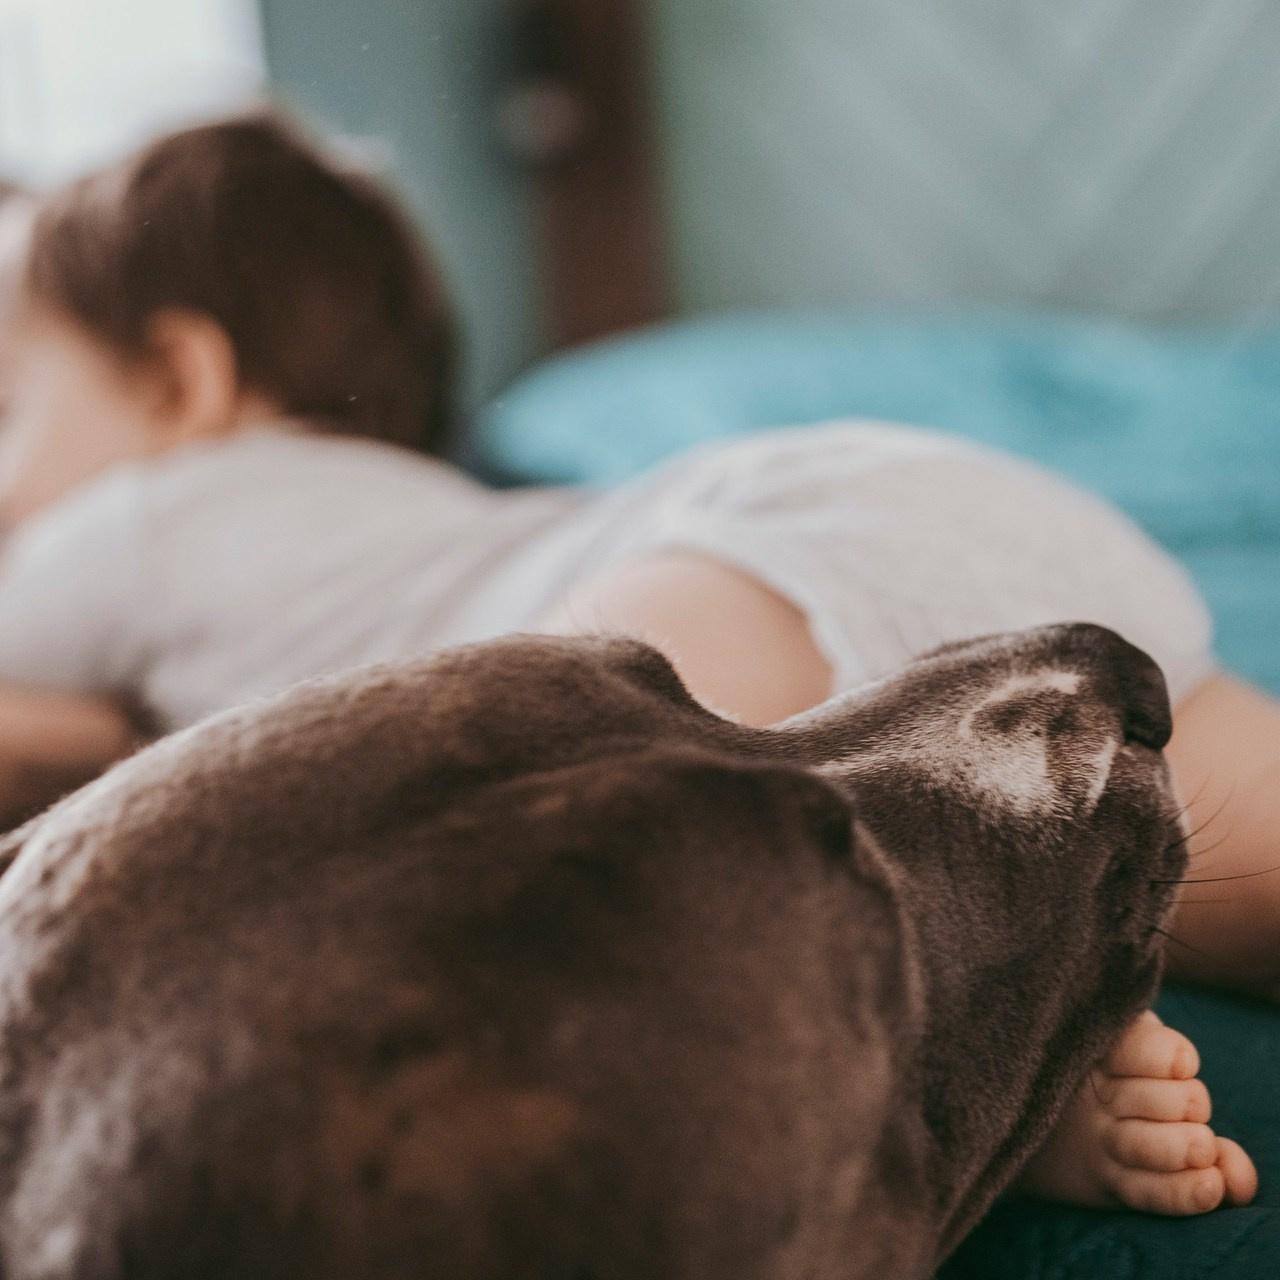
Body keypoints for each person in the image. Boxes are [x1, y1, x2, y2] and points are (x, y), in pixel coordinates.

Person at [0, 111, 1264, 1219]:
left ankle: (972, 1064)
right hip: (914, 506)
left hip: (723, 578)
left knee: (576, 890)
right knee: (1237, 854)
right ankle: (1012, 998)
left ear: (181, 377)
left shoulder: (132, 521)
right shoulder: (400, 510)